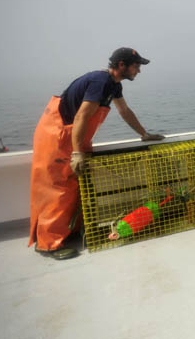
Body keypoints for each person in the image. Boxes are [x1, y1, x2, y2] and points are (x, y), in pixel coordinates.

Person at [28, 47, 165, 259]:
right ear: (122, 65)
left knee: (75, 187)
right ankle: (48, 244)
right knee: (59, 190)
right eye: (136, 66)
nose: (139, 70)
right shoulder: (100, 82)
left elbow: (124, 111)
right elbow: (82, 117)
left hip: (74, 139)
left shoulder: (113, 85)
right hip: (59, 138)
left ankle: (68, 232)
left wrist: (144, 134)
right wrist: (77, 153)